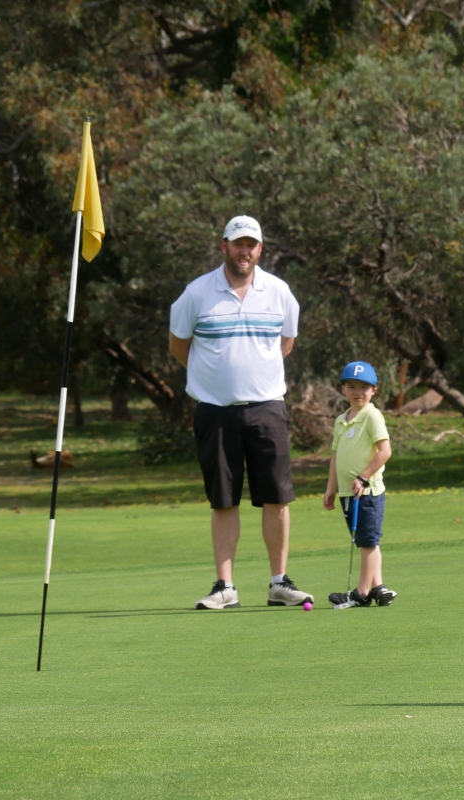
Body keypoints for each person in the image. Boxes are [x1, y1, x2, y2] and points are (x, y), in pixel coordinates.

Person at [169, 215, 314, 610]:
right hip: (215, 412)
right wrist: (212, 379)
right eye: (238, 244)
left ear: (260, 249)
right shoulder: (197, 293)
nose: (244, 251)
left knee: (277, 498)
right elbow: (178, 345)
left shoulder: (279, 293)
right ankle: (225, 587)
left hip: (267, 408)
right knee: (223, 500)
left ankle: (279, 583)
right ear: (224, 246)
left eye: (251, 244)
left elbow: (285, 344)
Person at [324, 361, 395, 608]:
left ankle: (362, 593)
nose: (358, 392)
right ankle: (378, 587)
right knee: (365, 540)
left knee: (368, 541)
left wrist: (364, 477)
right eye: (352, 386)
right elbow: (336, 456)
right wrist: (331, 488)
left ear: (374, 390)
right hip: (347, 492)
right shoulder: (341, 420)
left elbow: (385, 451)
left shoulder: (372, 416)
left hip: (367, 491)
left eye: (364, 387)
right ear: (343, 389)